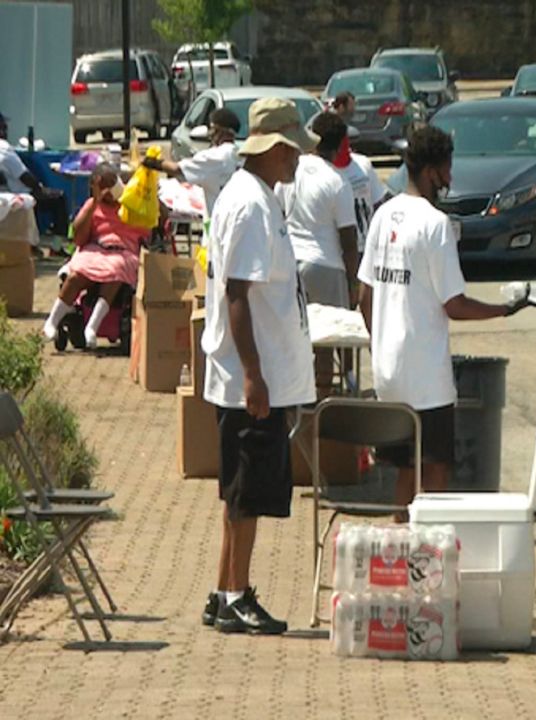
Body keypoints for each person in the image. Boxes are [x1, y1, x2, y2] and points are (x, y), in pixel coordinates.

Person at [358, 126, 536, 517]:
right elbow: (454, 305)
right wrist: (504, 310)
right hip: (426, 378)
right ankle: (424, 554)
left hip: (388, 372)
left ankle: (400, 542)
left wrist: (382, 343)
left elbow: (364, 297)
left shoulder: (382, 215)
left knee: (404, 465)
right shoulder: (435, 224)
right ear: (430, 171)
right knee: (435, 467)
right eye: (447, 169)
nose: (451, 179)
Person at [201, 97, 318, 635]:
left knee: (238, 493)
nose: (298, 162)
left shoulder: (257, 197)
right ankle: (235, 596)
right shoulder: (249, 206)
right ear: (273, 149)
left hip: (255, 374)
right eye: (293, 152)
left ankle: (226, 589)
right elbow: (237, 296)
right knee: (246, 494)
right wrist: (253, 375)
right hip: (252, 379)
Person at [277, 111, 358, 392]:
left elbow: (279, 212)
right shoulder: (337, 181)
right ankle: (330, 394)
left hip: (292, 262)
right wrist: (353, 283)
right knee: (331, 338)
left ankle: (299, 397)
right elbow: (349, 239)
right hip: (326, 266)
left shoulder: (291, 171)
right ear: (338, 147)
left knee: (297, 335)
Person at [41, 163, 149, 347]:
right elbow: (78, 237)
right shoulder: (92, 205)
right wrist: (95, 203)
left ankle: (92, 326)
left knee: (116, 269)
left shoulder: (131, 202)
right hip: (96, 248)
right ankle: (51, 321)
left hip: (123, 250)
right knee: (76, 273)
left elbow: (150, 225)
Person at [141, 107, 241, 224]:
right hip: (238, 219)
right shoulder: (239, 154)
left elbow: (177, 169)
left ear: (218, 130)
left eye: (211, 129)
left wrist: (152, 162)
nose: (209, 134)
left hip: (219, 223)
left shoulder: (214, 156)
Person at [0, 112, 69, 244]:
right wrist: (39, 187)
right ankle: (57, 245)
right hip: (19, 193)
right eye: (3, 127)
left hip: (6, 191)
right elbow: (23, 175)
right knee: (59, 198)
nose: (6, 131)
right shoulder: (3, 148)